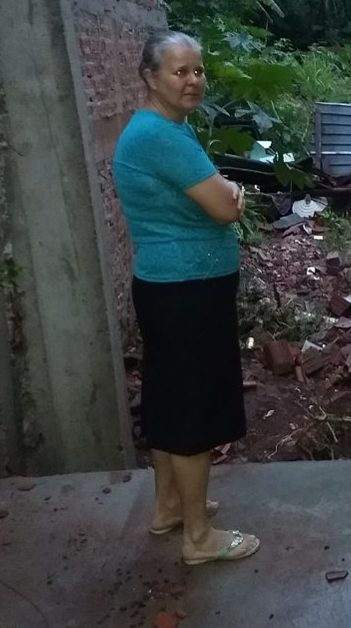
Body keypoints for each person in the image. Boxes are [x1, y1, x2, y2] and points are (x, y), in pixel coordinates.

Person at [112, 31, 259, 566]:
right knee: (193, 407)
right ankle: (199, 538)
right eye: (180, 71)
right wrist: (232, 195)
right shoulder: (161, 137)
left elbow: (212, 194)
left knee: (168, 398)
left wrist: (224, 192)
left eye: (197, 70)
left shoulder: (164, 128)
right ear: (151, 78)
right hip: (187, 293)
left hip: (170, 288)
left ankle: (169, 506)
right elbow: (224, 205)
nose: (194, 80)